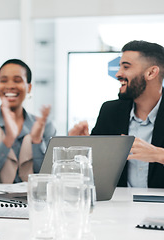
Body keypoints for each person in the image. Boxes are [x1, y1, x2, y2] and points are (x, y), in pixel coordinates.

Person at [69, 40, 164, 188]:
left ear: (151, 72)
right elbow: (96, 170)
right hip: (119, 207)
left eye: (126, 67)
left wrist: (159, 155)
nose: (118, 74)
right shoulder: (110, 112)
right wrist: (82, 149)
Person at [0, 59, 56, 183]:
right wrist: (8, 140)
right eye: (3, 81)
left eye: (17, 80)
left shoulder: (45, 126)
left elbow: (50, 178)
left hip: (34, 201)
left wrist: (37, 141)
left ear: (29, 87)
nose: (10, 86)